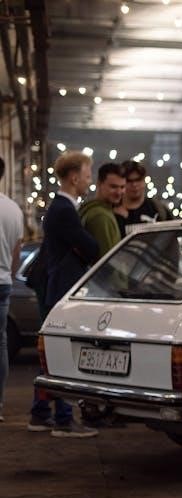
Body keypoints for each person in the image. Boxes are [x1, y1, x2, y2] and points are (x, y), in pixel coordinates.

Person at [28, 151, 100, 438]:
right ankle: (64, 419)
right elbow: (91, 248)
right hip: (61, 288)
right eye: (87, 176)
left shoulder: (58, 208)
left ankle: (40, 413)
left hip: (54, 285)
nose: (89, 181)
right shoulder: (64, 210)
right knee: (62, 354)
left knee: (51, 353)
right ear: (73, 177)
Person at [0, 158, 23, 422]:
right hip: (4, 283)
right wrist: (10, 274)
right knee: (1, 344)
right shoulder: (13, 209)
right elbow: (17, 253)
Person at [79, 162, 124, 259]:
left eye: (122, 187)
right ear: (99, 184)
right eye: (113, 187)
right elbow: (108, 261)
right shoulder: (101, 216)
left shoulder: (93, 210)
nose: (119, 192)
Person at [118, 160, 168, 233]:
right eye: (129, 181)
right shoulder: (113, 211)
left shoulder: (158, 209)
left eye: (138, 180)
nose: (134, 185)